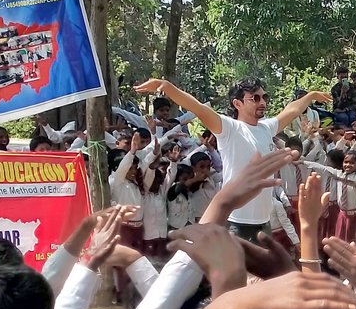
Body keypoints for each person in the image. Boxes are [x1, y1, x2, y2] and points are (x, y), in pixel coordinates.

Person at [134, 77, 329, 242]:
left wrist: (311, 95)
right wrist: (167, 87)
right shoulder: (228, 128)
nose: (263, 102)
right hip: (237, 224)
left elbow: (292, 110)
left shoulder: (266, 128)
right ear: (238, 103)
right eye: (255, 98)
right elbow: (198, 108)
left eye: (264, 97)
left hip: (264, 223)